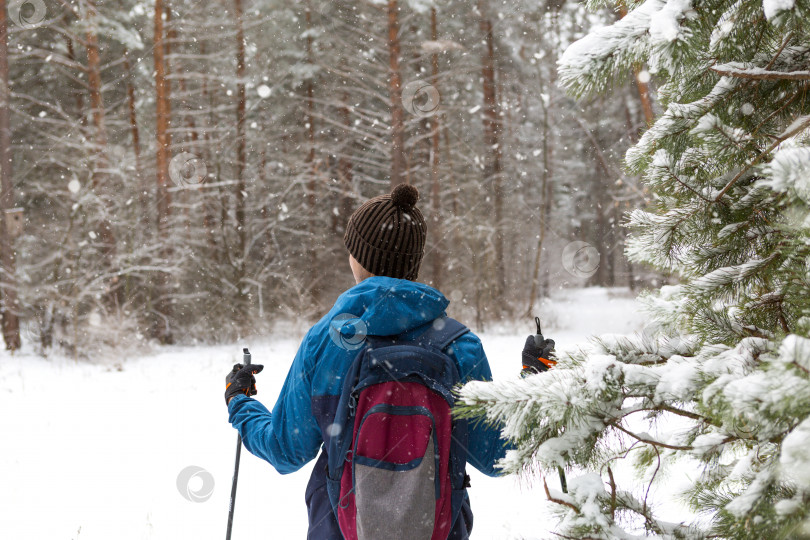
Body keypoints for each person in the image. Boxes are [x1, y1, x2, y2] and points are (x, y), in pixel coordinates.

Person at [224, 184, 530, 539]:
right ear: (413, 262)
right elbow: (498, 455)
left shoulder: (328, 341)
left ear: (358, 257)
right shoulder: (459, 345)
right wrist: (536, 378)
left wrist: (240, 402)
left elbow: (285, 450)